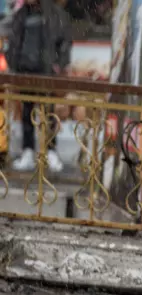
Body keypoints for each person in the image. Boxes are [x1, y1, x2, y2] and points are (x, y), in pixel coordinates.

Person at [7, 0, 71, 173]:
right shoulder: (21, 14)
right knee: (27, 113)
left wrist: (59, 64)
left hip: (45, 71)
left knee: (49, 113)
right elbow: (13, 42)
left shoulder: (53, 13)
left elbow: (64, 42)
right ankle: (28, 151)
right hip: (25, 71)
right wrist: (13, 64)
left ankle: (50, 151)